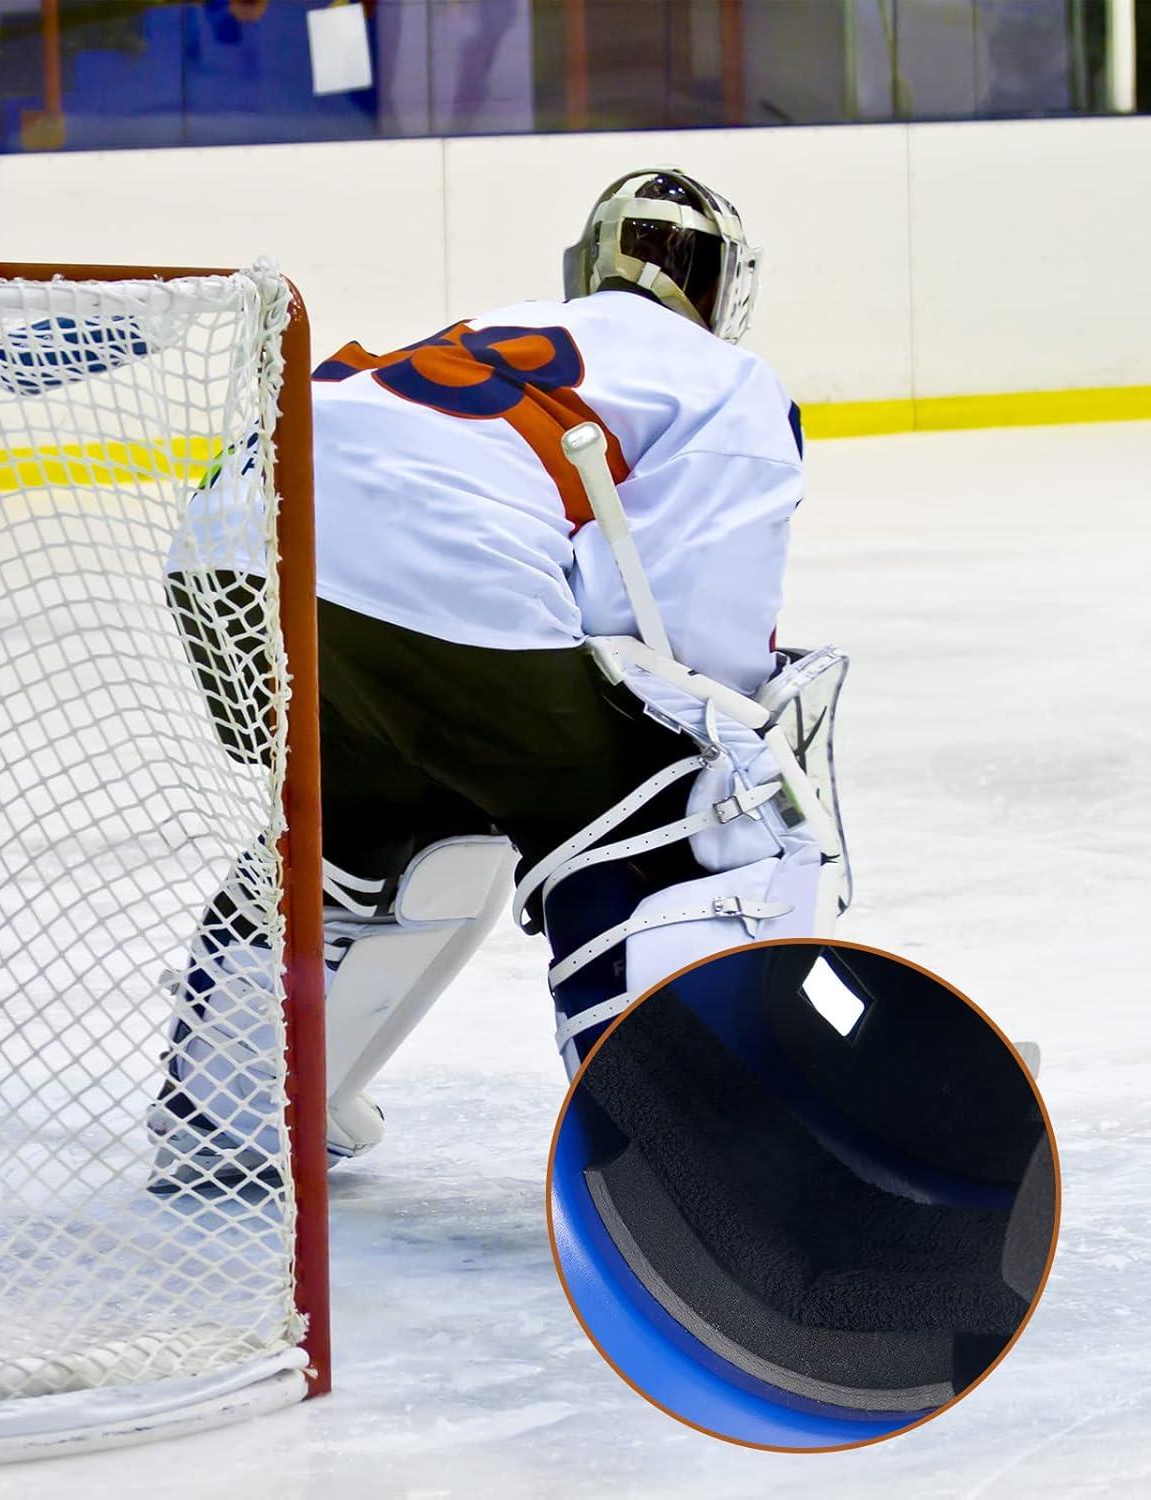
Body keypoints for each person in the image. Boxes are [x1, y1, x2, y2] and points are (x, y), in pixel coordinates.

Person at [151, 168, 850, 1183]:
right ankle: (675, 1172)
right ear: (722, 291)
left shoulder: (502, 324)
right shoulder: (723, 378)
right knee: (654, 813)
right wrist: (721, 737)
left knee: (377, 828)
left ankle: (228, 1107)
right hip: (424, 581)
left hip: (228, 558)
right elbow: (684, 624)